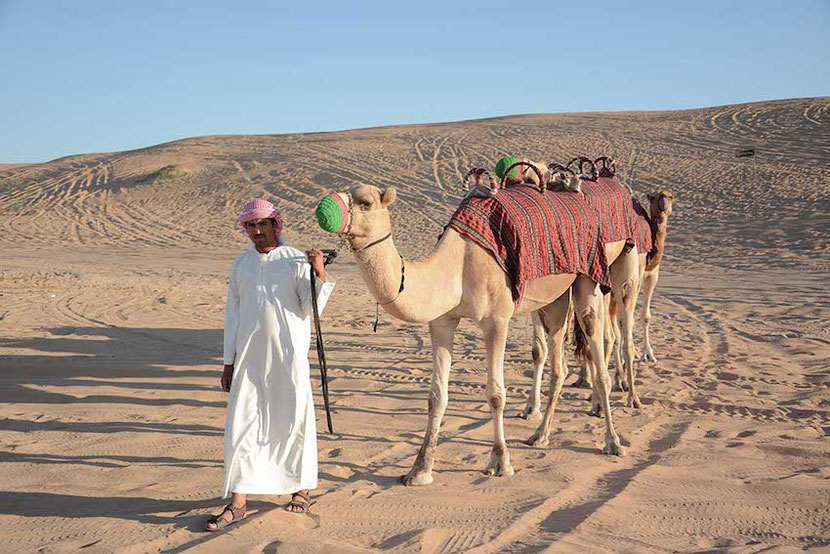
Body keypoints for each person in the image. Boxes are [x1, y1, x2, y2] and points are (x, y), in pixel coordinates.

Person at [206, 199, 335, 531]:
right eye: (251, 225)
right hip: (248, 361)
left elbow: (311, 308)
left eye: (263, 224)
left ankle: (301, 488)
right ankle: (238, 502)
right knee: (242, 426)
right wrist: (227, 363)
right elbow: (232, 317)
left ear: (277, 225)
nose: (257, 230)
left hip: (287, 359)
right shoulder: (241, 265)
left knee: (292, 422)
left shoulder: (294, 260)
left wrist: (319, 273)